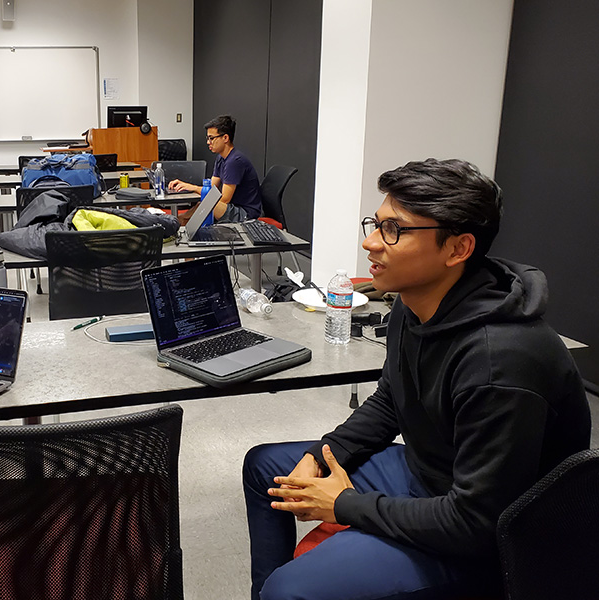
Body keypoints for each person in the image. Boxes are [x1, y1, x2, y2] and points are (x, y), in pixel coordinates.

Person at [242, 158, 590, 600]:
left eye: (394, 230)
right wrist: (326, 452)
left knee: (290, 590)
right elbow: (391, 398)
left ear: (458, 249)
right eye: (376, 223)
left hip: (487, 540)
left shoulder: (500, 362)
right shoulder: (414, 303)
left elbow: (477, 523)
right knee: (266, 469)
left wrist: (345, 504)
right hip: (427, 477)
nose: (370, 242)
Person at [168, 115, 262, 223]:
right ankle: (180, 221)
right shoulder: (221, 158)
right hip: (233, 208)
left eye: (212, 138)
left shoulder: (234, 161)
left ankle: (179, 222)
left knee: (208, 204)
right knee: (203, 204)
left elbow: (224, 199)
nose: (208, 142)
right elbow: (212, 188)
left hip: (245, 214)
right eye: (207, 138)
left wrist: (193, 188)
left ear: (225, 138)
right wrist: (187, 186)